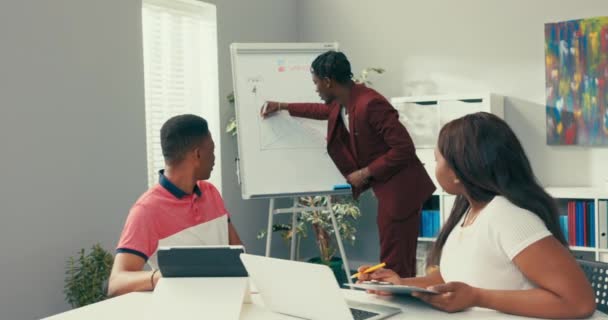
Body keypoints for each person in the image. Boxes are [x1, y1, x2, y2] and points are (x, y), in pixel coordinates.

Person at [357, 112, 595, 318]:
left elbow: (579, 302)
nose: (433, 166)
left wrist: (477, 297)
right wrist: (400, 284)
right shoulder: (469, 211)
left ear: (459, 171)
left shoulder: (509, 218)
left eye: (436, 159)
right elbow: (454, 276)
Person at [261, 51, 435, 277]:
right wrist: (282, 105)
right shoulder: (344, 100)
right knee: (394, 257)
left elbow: (403, 148)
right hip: (389, 189)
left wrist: (364, 173)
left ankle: (400, 306)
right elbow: (321, 110)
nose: (315, 89)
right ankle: (398, 300)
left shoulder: (370, 103)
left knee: (395, 262)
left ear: (328, 81)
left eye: (316, 83)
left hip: (402, 191)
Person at [107, 114, 243, 297]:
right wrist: (162, 277)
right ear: (197, 154)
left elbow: (240, 254)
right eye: (212, 150)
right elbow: (116, 282)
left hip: (228, 301)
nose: (214, 158)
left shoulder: (211, 193)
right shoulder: (147, 211)